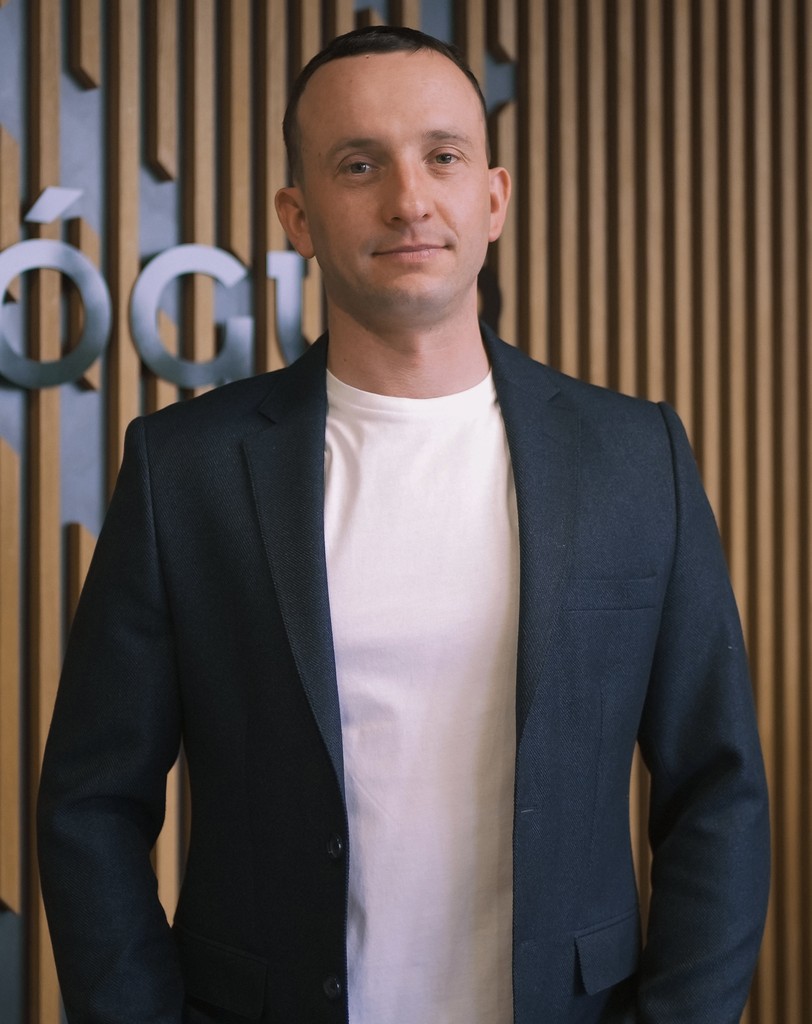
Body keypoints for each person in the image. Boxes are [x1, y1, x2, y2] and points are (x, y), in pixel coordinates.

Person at [38, 25, 770, 1024]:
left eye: (442, 156)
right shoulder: (185, 473)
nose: (409, 199)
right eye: (358, 164)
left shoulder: (636, 459)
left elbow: (718, 793)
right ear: (298, 216)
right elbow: (91, 804)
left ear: (493, 198)